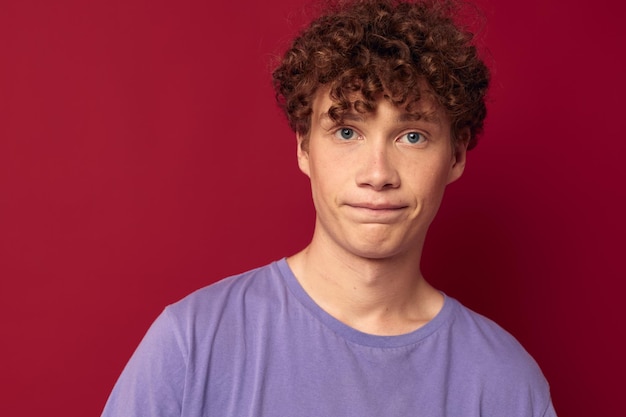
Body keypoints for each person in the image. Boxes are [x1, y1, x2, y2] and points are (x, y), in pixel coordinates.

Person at [102, 0, 557, 415]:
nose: (377, 173)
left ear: (455, 157)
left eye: (412, 136)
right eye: (347, 132)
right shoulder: (193, 342)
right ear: (304, 148)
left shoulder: (507, 384)